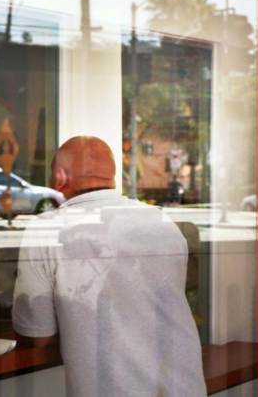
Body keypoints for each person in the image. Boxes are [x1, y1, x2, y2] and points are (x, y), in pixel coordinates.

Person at [13, 136, 206, 396]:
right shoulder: (161, 221)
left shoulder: (47, 230)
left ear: (60, 177)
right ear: (113, 178)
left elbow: (38, 334)